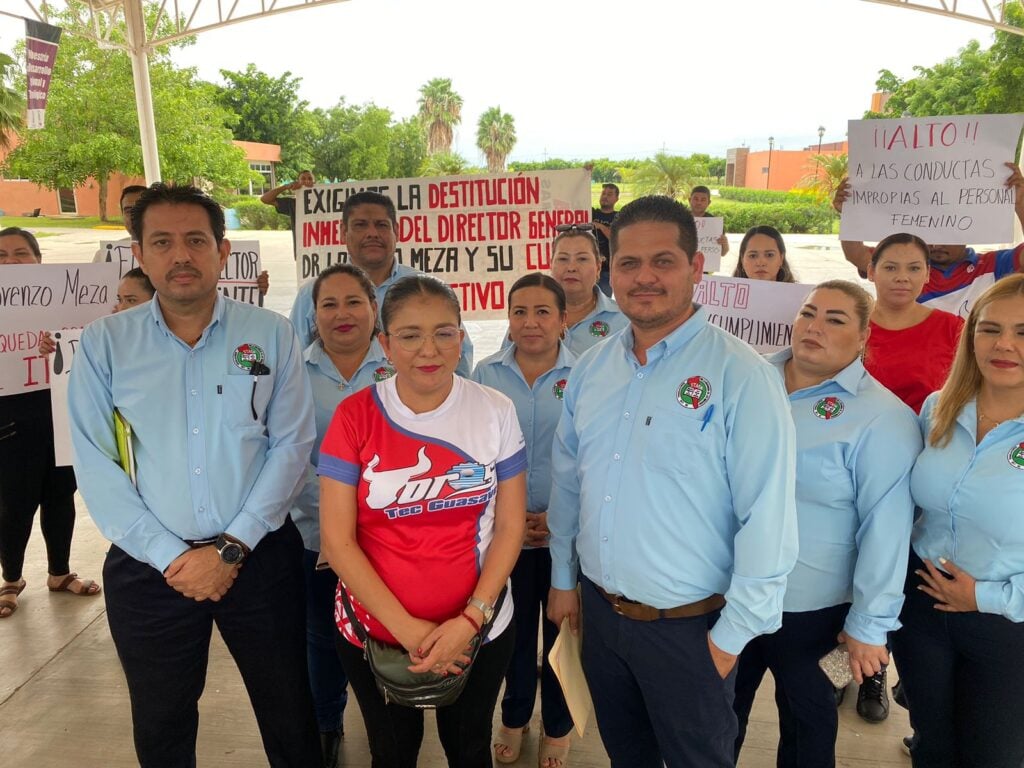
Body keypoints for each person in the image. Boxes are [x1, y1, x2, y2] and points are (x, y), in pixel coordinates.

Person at [67, 183, 321, 767]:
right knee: (161, 723)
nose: (180, 255)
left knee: (289, 712)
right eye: (162, 242)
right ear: (140, 253)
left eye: (195, 240)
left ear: (222, 250)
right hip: (151, 569)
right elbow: (96, 461)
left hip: (258, 560)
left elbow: (291, 443)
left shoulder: (269, 334)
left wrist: (231, 549)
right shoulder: (106, 343)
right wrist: (172, 558)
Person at [547, 195, 798, 768]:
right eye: (629, 264)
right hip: (603, 622)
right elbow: (568, 483)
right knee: (626, 758)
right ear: (611, 272)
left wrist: (728, 640)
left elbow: (769, 517)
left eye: (663, 261)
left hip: (692, 633)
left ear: (696, 268)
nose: (644, 278)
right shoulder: (590, 369)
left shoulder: (743, 376)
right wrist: (564, 578)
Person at [318, 274, 527, 768]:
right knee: (391, 752)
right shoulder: (353, 416)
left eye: (444, 332)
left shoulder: (494, 410)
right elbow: (337, 540)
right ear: (385, 344)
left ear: (462, 336)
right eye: (409, 335)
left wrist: (471, 620)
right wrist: (409, 632)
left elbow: (510, 527)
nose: (428, 349)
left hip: (482, 629)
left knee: (470, 748)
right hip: (374, 632)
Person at [733, 280, 921, 767]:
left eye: (835, 319)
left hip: (816, 613)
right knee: (717, 713)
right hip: (731, 592)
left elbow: (886, 530)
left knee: (808, 724)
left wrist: (869, 624)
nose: (815, 326)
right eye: (808, 313)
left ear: (863, 337)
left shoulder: (883, 419)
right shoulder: (750, 380)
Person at [892, 273, 1024, 768]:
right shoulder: (939, 408)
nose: (1003, 344)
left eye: (1023, 332)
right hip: (923, 611)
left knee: (992, 756)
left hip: (1007, 625)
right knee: (933, 745)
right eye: (989, 329)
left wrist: (982, 597)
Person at [291, 263, 393, 768]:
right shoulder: (291, 369)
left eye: (354, 301)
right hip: (315, 537)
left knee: (386, 633)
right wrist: (333, 519)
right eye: (328, 304)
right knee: (322, 638)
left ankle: (391, 728)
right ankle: (327, 723)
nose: (342, 314)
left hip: (393, 540)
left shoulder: (400, 363)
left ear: (374, 309)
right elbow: (284, 452)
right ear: (313, 316)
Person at [472, 274, 576, 768]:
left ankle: (558, 725)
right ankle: (513, 716)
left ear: (563, 319)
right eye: (520, 311)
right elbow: (472, 454)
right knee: (508, 636)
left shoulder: (586, 374)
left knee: (561, 636)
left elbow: (594, 457)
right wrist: (507, 515)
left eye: (542, 312)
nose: (530, 322)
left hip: (565, 536)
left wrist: (560, 516)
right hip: (502, 535)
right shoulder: (483, 373)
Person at [0, 227, 101, 619]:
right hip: (9, 419)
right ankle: (11, 578)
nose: (11, 261)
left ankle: (59, 572)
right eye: (3, 254)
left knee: (61, 495)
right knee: (14, 502)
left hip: (61, 412)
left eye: (21, 253)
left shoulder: (66, 299)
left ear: (38, 259)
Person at [289, 191, 474, 375]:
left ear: (397, 232)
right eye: (360, 225)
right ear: (343, 232)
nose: (372, 233)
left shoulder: (427, 289)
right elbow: (292, 363)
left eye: (381, 225)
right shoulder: (312, 293)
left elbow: (459, 356)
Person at [833, 162, 1024, 316]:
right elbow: (855, 254)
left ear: (968, 229)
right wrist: (850, 214)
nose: (936, 244)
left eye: (946, 232)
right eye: (929, 232)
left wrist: (1020, 203)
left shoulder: (993, 265)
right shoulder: (906, 266)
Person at [865, 233, 964, 413]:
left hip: (930, 435)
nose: (902, 277)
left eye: (914, 269)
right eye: (890, 268)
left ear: (927, 274)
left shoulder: (952, 327)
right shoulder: (850, 324)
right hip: (858, 434)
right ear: (871, 272)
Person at [500, 224, 628, 356]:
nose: (571, 267)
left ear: (598, 267)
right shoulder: (526, 319)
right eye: (563, 259)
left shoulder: (624, 320)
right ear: (551, 264)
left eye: (582, 259)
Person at [261, 169, 316, 242]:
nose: (307, 181)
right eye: (303, 179)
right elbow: (265, 199)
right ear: (297, 182)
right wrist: (286, 187)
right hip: (302, 249)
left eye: (310, 179)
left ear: (314, 182)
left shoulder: (325, 200)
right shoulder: (292, 203)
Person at [731, 225, 796, 282]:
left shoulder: (799, 295)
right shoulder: (726, 294)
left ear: (781, 258)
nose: (760, 263)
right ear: (742, 259)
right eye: (753, 256)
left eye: (769, 255)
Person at [592, 182, 619, 296]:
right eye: (603, 193)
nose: (605, 196)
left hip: (607, 271)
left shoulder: (619, 217)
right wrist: (585, 174)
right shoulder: (591, 213)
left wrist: (601, 227)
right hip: (588, 267)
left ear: (616, 199)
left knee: (603, 302)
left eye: (609, 194)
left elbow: (617, 238)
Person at [689, 185, 730, 257]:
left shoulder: (715, 224)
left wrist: (725, 244)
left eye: (703, 200)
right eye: (696, 199)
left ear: (709, 202)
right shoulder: (680, 220)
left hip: (707, 266)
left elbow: (722, 253)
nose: (699, 203)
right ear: (689, 200)